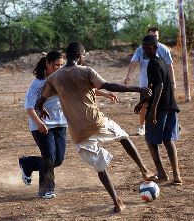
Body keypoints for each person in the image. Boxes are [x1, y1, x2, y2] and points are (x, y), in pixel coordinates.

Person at [36, 41, 155, 213]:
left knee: (101, 167)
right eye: (83, 55)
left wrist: (42, 110)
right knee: (123, 136)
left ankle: (116, 202)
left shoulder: (54, 78)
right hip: (97, 122)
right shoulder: (86, 71)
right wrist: (138, 89)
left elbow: (40, 102)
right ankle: (144, 169)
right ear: (79, 56)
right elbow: (109, 85)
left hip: (79, 134)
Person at [134, 35, 182, 186]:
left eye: (148, 48)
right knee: (168, 140)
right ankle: (176, 175)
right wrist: (142, 101)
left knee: (150, 139)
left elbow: (159, 86)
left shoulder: (153, 63)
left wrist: (152, 109)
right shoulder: (161, 61)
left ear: (155, 48)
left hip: (160, 108)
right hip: (171, 106)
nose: (145, 50)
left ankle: (161, 173)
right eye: (143, 47)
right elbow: (153, 86)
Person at [20, 50, 67, 199]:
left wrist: (104, 93)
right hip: (40, 124)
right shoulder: (38, 83)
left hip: (60, 123)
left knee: (57, 159)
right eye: (56, 65)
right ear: (48, 63)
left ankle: (28, 163)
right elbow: (29, 107)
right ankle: (46, 189)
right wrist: (39, 123)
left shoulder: (62, 79)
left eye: (61, 65)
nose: (58, 68)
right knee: (48, 157)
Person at [124, 27, 176, 136]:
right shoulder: (141, 49)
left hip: (160, 84)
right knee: (145, 105)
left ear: (158, 37)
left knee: (163, 104)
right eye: (152, 35)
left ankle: (171, 125)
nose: (154, 37)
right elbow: (134, 61)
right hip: (145, 83)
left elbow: (169, 65)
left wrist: (173, 82)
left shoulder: (163, 49)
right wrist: (128, 75)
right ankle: (142, 126)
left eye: (155, 36)